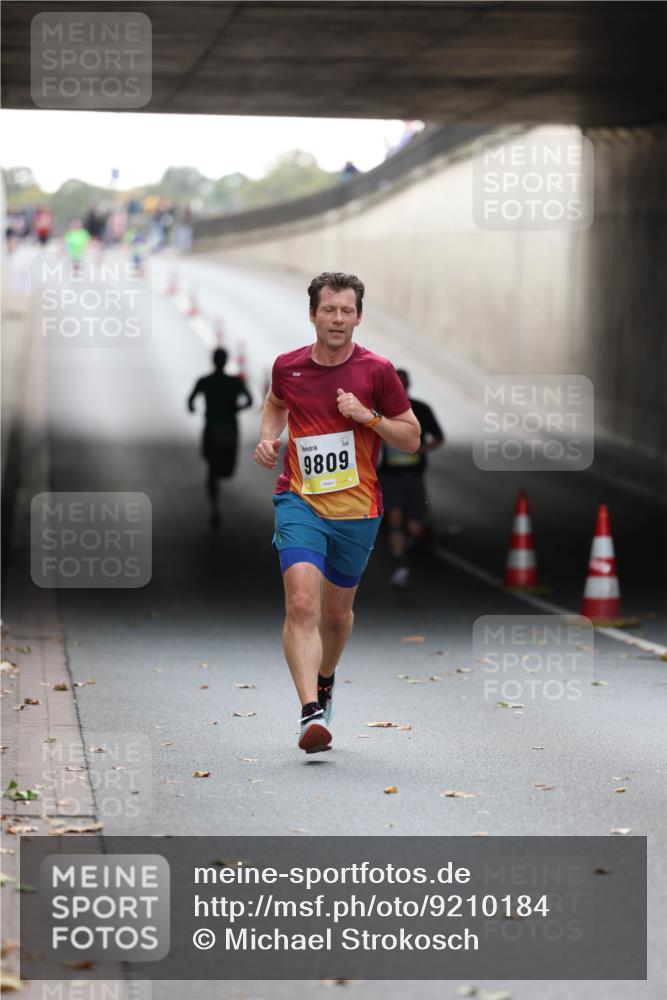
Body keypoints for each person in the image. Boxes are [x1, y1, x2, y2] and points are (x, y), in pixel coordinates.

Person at [254, 272, 421, 754]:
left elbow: (410, 436)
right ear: (312, 314)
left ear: (359, 317)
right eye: (329, 310)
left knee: (336, 613)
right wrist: (270, 438)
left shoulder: (377, 372)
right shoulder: (287, 367)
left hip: (357, 509)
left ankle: (325, 680)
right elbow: (275, 403)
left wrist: (367, 417)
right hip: (299, 500)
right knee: (302, 603)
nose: (338, 319)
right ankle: (310, 713)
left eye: (347, 311)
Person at [379, 369, 444, 588]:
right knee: (394, 520)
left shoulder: (422, 410)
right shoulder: (381, 410)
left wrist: (422, 449)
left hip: (414, 476)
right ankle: (401, 567)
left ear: (408, 386)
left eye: (403, 384)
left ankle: (409, 539)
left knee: (415, 526)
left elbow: (438, 437)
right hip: (389, 476)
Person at [188, 348, 253, 527]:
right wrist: (236, 409)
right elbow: (249, 400)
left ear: (213, 361)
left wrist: (193, 408)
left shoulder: (205, 381)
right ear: (225, 361)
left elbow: (190, 401)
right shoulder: (234, 382)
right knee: (225, 469)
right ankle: (215, 506)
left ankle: (214, 505)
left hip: (211, 428)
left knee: (213, 468)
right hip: (229, 429)